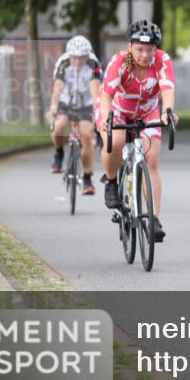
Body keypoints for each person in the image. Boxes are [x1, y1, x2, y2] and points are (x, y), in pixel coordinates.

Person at [99, 20, 179, 242]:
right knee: (115, 141)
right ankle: (112, 180)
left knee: (151, 160)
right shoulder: (120, 62)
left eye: (149, 50)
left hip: (148, 112)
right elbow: (106, 94)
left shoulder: (162, 61)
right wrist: (107, 117)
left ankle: (153, 219)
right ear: (130, 47)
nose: (144, 55)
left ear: (156, 49)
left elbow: (168, 90)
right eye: (139, 50)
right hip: (118, 109)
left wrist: (168, 112)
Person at [47, 35, 101, 195]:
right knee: (59, 126)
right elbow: (57, 88)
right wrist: (53, 107)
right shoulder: (63, 63)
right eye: (74, 58)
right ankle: (58, 153)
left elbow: (95, 89)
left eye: (81, 58)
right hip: (66, 101)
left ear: (87, 56)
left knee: (86, 138)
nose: (77, 62)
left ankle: (87, 178)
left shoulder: (93, 63)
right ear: (69, 56)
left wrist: (97, 111)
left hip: (85, 104)